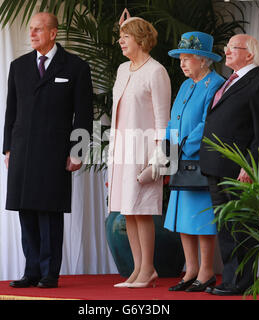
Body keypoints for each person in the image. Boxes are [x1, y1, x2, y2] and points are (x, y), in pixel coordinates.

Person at [4, 12, 93, 289]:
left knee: (49, 213)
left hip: (55, 152)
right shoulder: (18, 66)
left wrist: (78, 151)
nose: (32, 34)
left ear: (53, 33)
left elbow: (84, 114)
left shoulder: (75, 67)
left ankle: (49, 273)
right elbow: (11, 111)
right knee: (26, 211)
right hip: (22, 151)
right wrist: (7, 148)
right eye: (31, 30)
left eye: (38, 30)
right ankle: (30, 271)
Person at [200, 34, 259, 295]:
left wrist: (251, 165)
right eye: (227, 47)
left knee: (241, 227)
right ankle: (231, 281)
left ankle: (241, 283)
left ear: (250, 54)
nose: (228, 52)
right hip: (215, 165)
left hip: (238, 170)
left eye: (234, 48)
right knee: (225, 227)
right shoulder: (230, 81)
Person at [108, 13, 171, 288]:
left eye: (126, 36)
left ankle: (148, 269)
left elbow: (162, 119)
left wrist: (159, 158)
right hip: (122, 149)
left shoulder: (156, 71)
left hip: (144, 151)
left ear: (141, 39)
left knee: (142, 209)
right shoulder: (123, 69)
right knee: (127, 210)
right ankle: (137, 270)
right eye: (120, 36)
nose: (121, 41)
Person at [164, 32, 225, 292]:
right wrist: (168, 148)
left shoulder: (216, 83)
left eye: (187, 58)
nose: (182, 63)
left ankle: (206, 271)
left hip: (200, 160)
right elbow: (173, 118)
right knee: (182, 220)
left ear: (203, 60)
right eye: (181, 59)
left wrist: (184, 146)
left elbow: (208, 122)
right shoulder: (185, 85)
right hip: (180, 160)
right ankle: (190, 271)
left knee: (201, 220)